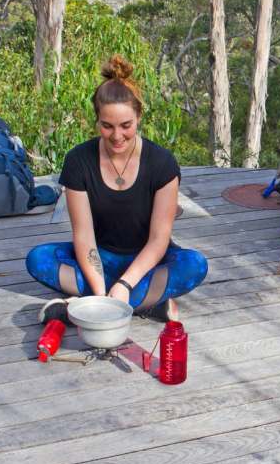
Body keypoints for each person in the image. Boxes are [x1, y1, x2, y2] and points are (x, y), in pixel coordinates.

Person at [26, 55, 207, 321]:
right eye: (107, 126)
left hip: (148, 261)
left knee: (194, 265)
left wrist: (125, 284)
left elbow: (159, 240)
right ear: (97, 120)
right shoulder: (78, 161)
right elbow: (84, 237)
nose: (117, 136)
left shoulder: (162, 163)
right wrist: (101, 291)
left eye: (126, 126)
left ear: (139, 117)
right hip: (98, 260)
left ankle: (85, 305)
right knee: (38, 259)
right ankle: (143, 302)